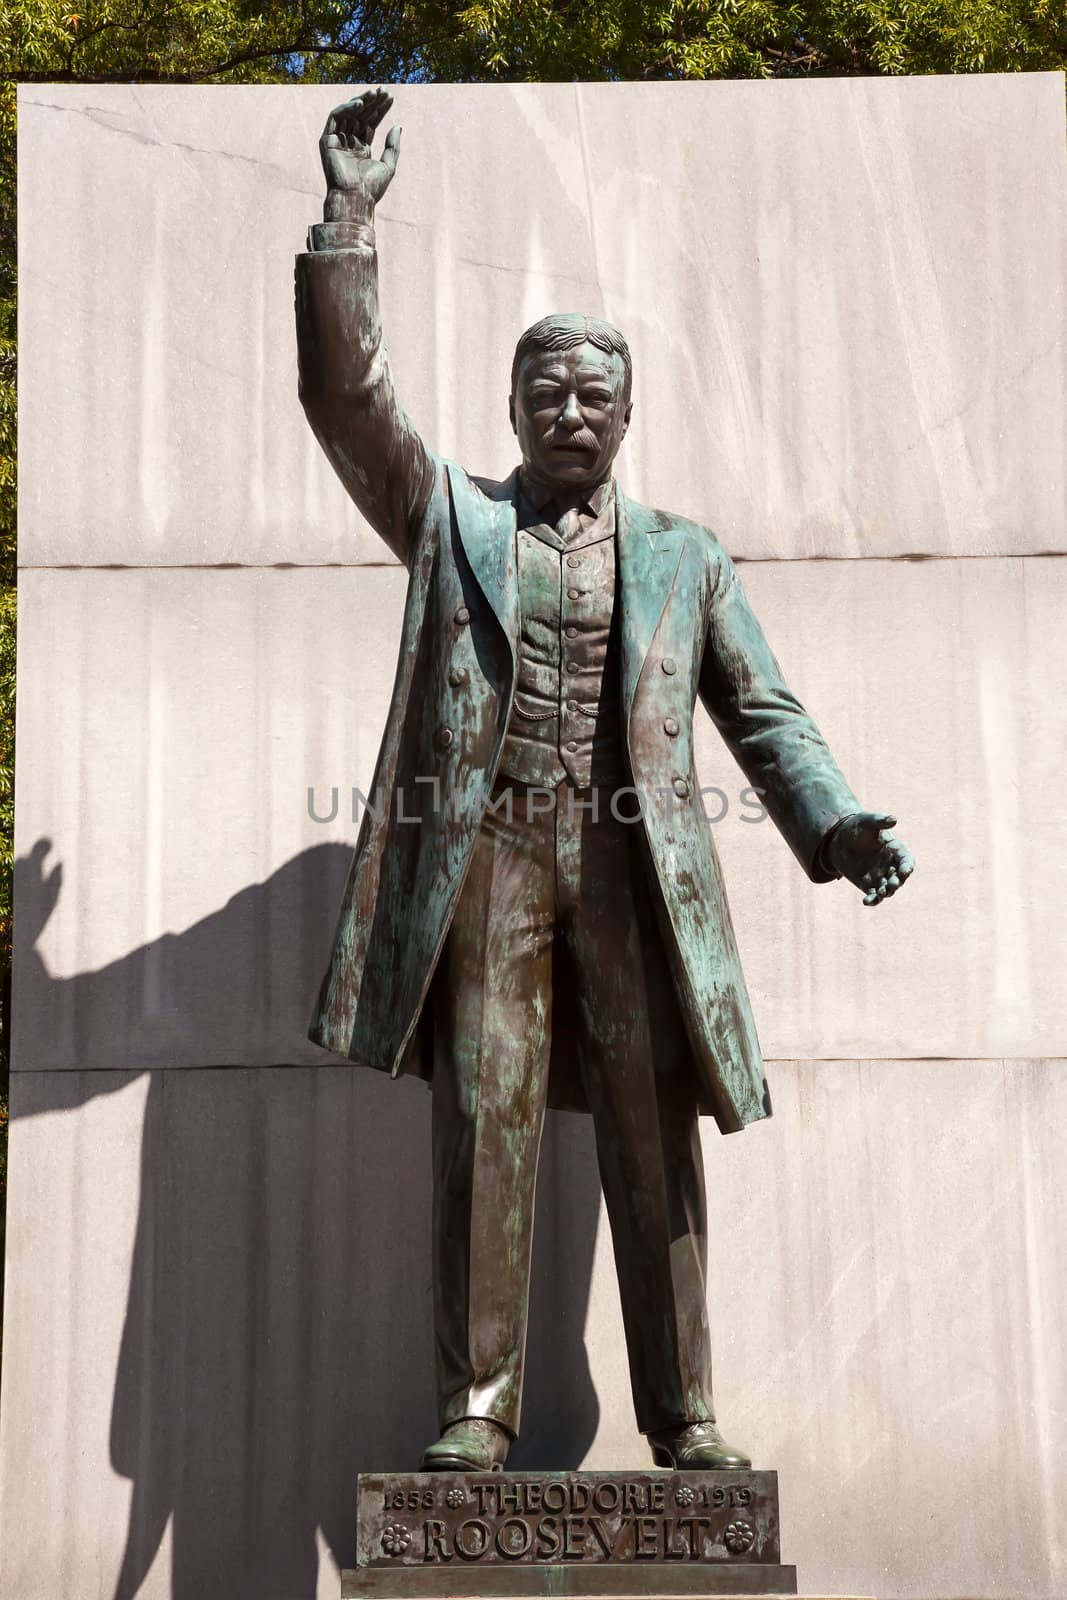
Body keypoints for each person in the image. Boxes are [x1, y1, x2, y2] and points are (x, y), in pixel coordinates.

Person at [298, 90, 914, 1474]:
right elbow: (346, 400)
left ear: (627, 415)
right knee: (484, 1132)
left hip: (638, 876)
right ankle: (476, 1407)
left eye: (596, 394)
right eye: (547, 392)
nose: (571, 412)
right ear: (512, 409)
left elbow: (762, 706)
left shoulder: (685, 556)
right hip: (489, 866)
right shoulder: (450, 518)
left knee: (654, 1144)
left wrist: (835, 823)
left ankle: (686, 1412)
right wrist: (348, 219)